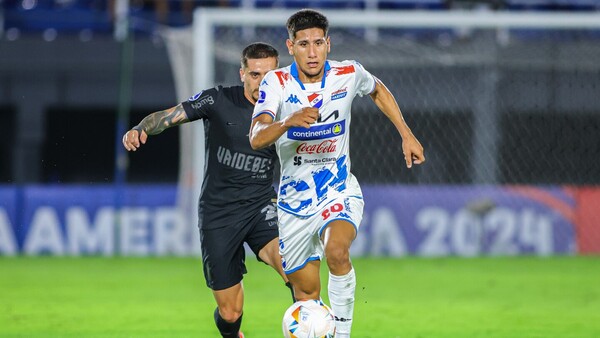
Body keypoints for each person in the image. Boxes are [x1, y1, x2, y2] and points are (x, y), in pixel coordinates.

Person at [249, 9, 425, 337]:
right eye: (303, 44)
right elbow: (256, 137)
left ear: (328, 44)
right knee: (306, 296)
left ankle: (343, 334)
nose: (312, 52)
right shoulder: (277, 83)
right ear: (291, 47)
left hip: (338, 188)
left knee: (337, 251)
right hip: (294, 203)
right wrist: (287, 121)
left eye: (318, 43)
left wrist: (405, 132)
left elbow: (377, 89)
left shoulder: (348, 73)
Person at [122, 42, 292, 338]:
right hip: (219, 213)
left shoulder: (287, 109)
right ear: (242, 74)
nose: (262, 83)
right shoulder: (217, 100)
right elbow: (167, 116)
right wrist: (140, 127)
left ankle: (312, 329)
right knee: (230, 312)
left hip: (261, 206)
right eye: (255, 74)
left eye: (270, 75)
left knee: (294, 271)